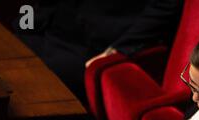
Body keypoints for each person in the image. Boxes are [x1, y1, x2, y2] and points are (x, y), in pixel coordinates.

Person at [13, 0, 182, 104]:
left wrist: (118, 49)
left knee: (30, 79)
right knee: (2, 54)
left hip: (98, 45)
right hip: (54, 25)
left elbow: (165, 6)